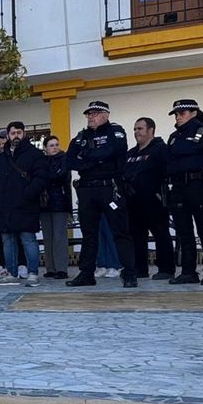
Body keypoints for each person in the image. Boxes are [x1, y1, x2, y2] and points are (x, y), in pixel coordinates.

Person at [66, 101, 136, 287]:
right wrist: (93, 160)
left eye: (95, 113)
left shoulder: (115, 131)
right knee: (89, 233)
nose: (90, 116)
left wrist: (87, 156)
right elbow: (69, 160)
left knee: (120, 231)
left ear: (106, 115)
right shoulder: (81, 136)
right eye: (88, 114)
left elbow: (115, 151)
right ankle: (86, 274)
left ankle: (129, 273)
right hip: (87, 189)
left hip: (109, 187)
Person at [164, 99, 203, 285]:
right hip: (178, 188)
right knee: (184, 232)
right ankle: (188, 271)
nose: (178, 117)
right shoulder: (174, 136)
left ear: (194, 112)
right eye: (176, 114)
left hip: (200, 187)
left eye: (182, 113)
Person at [0, 123, 45, 287]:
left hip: (27, 205)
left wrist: (27, 194)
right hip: (4, 207)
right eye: (13, 133)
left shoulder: (35, 154)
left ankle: (32, 273)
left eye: (19, 132)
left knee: (28, 239)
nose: (16, 135)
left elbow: (41, 178)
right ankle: (11, 274)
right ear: (8, 135)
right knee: (7, 240)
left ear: (24, 133)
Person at [122, 118, 174, 281]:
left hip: (155, 201)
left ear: (151, 130)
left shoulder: (160, 149)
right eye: (135, 129)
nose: (137, 132)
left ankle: (166, 269)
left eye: (140, 129)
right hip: (133, 202)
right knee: (136, 236)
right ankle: (140, 269)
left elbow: (168, 172)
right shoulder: (131, 154)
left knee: (161, 234)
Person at [38, 136, 72, 278]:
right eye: (51, 145)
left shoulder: (64, 159)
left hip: (60, 202)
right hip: (45, 203)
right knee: (48, 237)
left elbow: (60, 176)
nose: (54, 147)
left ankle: (61, 269)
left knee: (59, 237)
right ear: (45, 147)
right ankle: (50, 268)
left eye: (56, 144)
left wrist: (45, 175)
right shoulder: (41, 161)